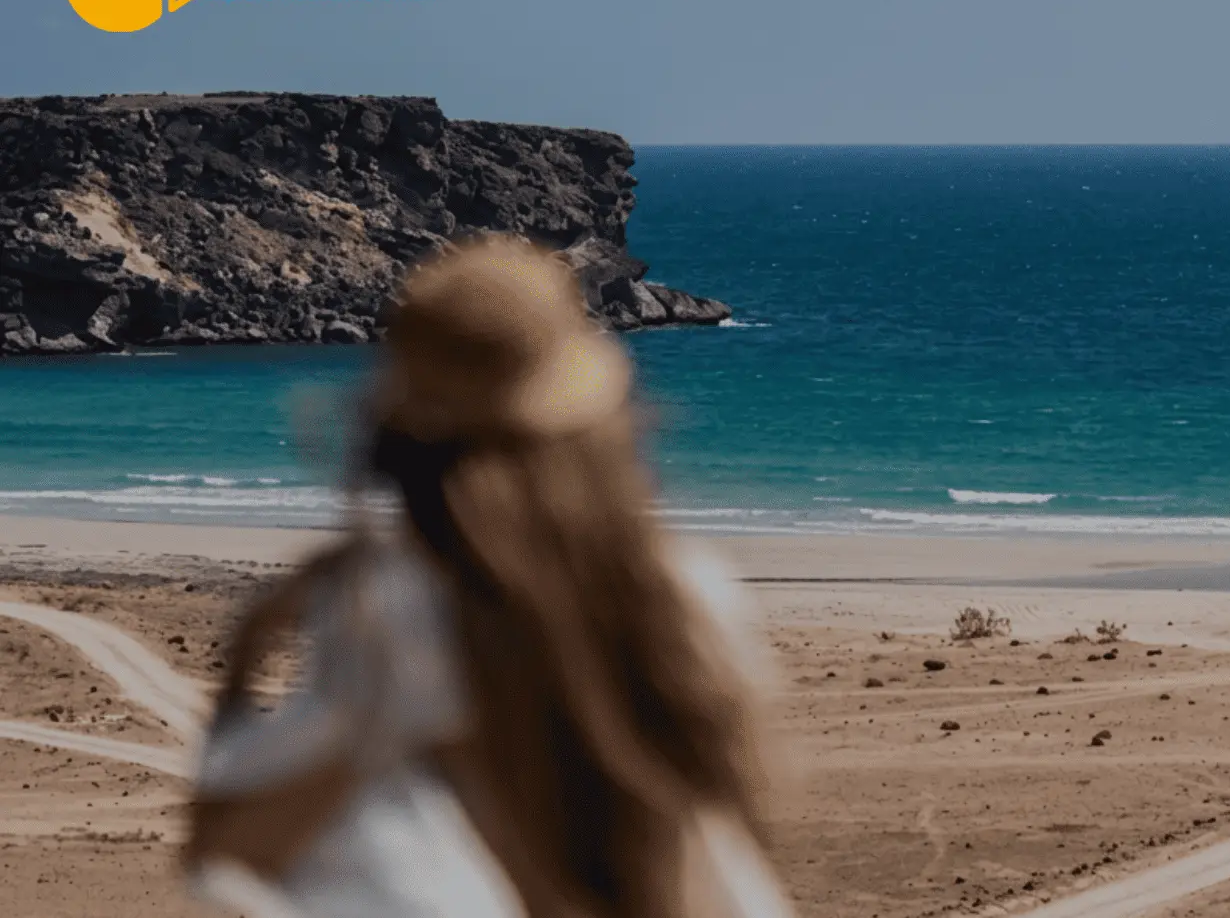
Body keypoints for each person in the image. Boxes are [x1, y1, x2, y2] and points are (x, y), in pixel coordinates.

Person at [184, 234, 792, 918]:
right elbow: (738, 804)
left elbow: (228, 848)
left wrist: (291, 669)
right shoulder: (678, 588)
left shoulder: (386, 606)